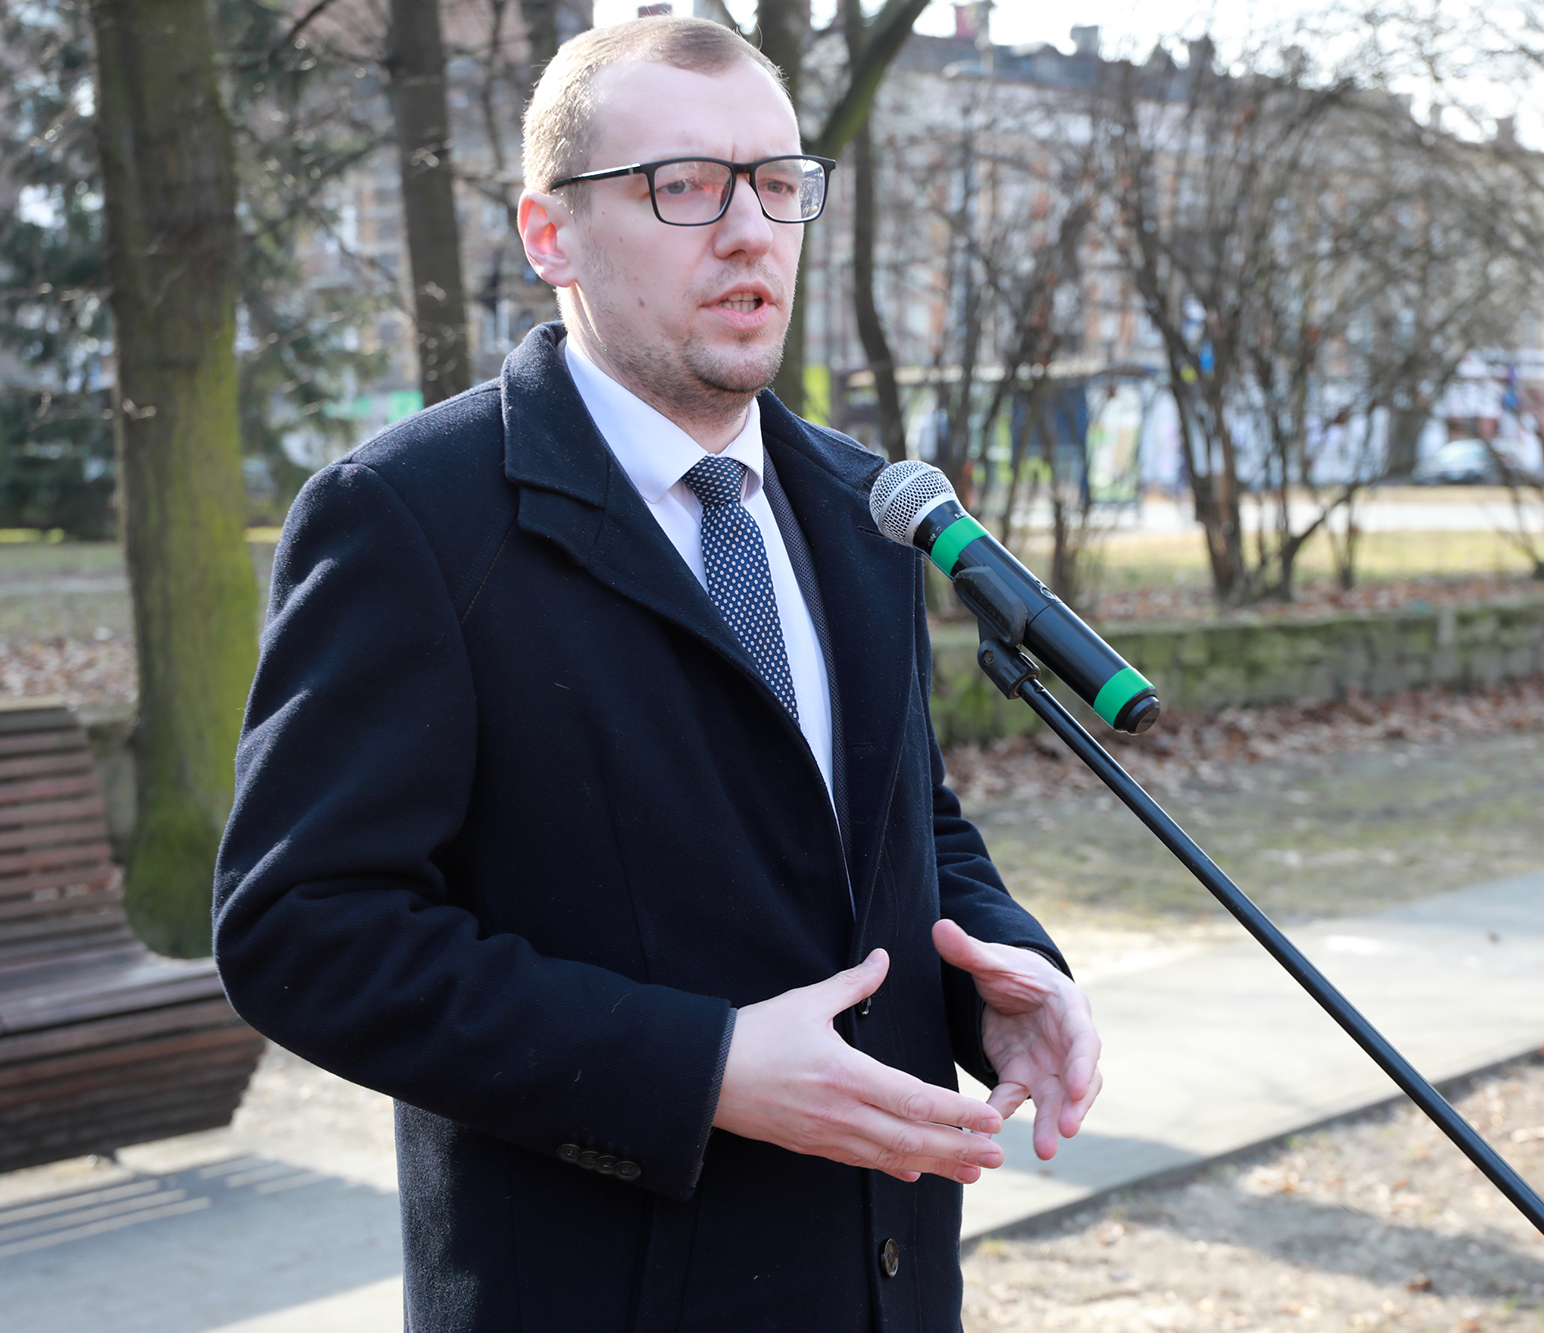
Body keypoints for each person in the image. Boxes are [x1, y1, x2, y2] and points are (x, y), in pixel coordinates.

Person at [212, 17, 1100, 1332]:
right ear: (549, 234)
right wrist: (702, 1068)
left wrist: (1003, 980)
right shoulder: (410, 518)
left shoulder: (865, 504)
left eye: (780, 183)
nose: (750, 233)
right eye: (683, 186)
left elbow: (903, 823)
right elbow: (305, 932)